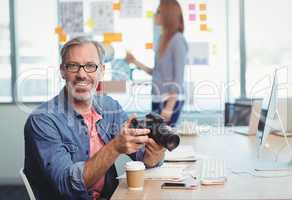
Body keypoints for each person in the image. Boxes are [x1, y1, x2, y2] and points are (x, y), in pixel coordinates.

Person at [24, 36, 165, 200]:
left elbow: (141, 156)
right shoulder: (42, 120)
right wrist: (114, 148)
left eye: (90, 66)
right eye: (73, 66)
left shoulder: (110, 107)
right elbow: (66, 185)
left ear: (102, 71)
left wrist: (154, 154)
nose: (82, 74)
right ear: (62, 71)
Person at [126, 0, 188, 127]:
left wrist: (170, 106)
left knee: (162, 141)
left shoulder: (178, 40)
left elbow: (178, 77)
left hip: (170, 100)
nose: (156, 14)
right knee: (156, 140)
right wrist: (134, 61)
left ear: (168, 15)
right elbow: (157, 72)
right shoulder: (162, 39)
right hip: (158, 98)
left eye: (159, 11)